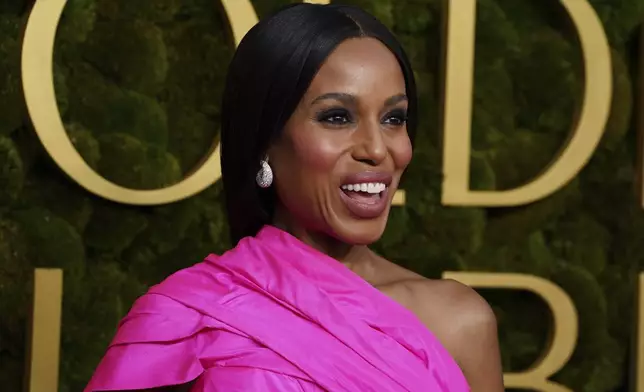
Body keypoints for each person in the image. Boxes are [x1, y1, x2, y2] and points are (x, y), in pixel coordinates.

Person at [85, 3, 504, 391]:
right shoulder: (184, 317)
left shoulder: (460, 322)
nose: (378, 149)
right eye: (337, 117)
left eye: (394, 118)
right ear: (265, 140)